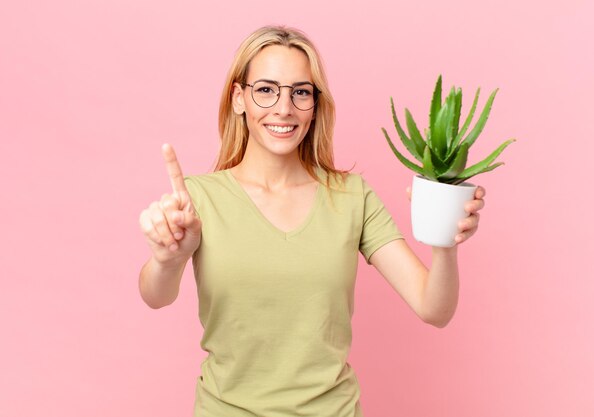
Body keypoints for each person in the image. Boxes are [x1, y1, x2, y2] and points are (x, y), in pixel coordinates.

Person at [138, 25, 485, 417]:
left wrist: (445, 240)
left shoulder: (352, 196)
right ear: (239, 98)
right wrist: (167, 259)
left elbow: (433, 309)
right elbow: (155, 296)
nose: (284, 108)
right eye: (266, 89)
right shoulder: (198, 198)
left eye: (300, 92)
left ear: (315, 104)